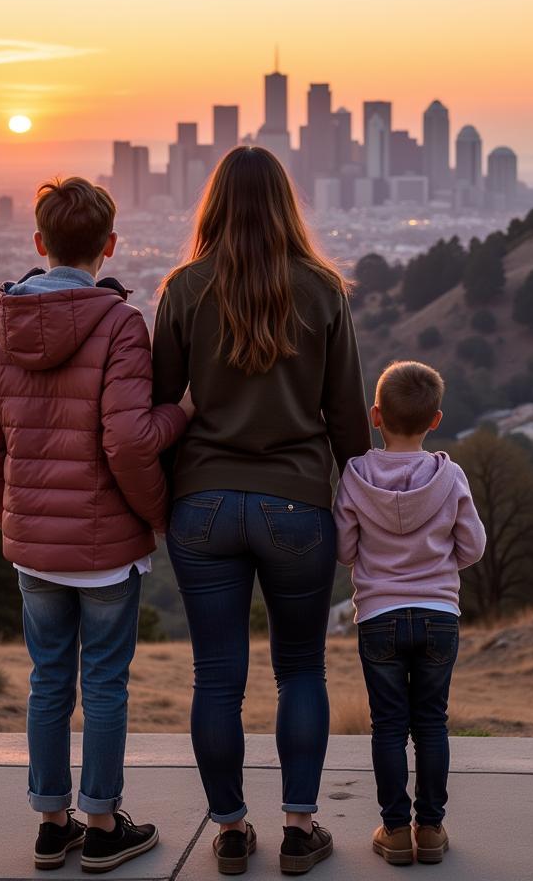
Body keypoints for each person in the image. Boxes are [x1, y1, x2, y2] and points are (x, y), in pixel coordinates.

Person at [153, 146, 371, 875]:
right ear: (287, 204)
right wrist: (360, 502)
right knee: (301, 668)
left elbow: (159, 409)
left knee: (215, 676)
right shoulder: (322, 290)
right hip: (296, 503)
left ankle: (231, 830)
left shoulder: (184, 289)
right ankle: (301, 829)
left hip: (204, 504)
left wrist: (163, 499)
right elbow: (347, 417)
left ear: (213, 205)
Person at [0, 176, 193, 873]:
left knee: (47, 682)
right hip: (103, 550)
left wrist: (17, 520)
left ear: (40, 243)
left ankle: (51, 822)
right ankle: (101, 825)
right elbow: (128, 441)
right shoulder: (120, 322)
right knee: (103, 684)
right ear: (110, 245)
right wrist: (180, 420)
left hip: (34, 548)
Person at [334, 361, 486, 866]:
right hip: (439, 613)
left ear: (376, 415)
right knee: (432, 725)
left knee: (388, 728)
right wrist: (441, 564)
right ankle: (433, 830)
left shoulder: (356, 475)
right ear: (435, 419)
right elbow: (474, 546)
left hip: (379, 614)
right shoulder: (450, 475)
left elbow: (344, 549)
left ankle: (396, 831)